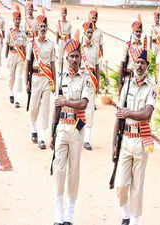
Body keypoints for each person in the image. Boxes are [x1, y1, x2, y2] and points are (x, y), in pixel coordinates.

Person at [49, 30, 94, 225]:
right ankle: (58, 212)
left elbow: (83, 103)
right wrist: (52, 131)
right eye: (72, 56)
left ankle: (70, 214)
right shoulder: (61, 77)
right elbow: (56, 106)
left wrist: (66, 100)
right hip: (61, 127)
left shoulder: (85, 77)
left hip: (77, 128)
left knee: (73, 170)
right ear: (66, 58)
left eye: (77, 56)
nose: (75, 59)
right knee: (59, 169)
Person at [112, 45, 157, 225]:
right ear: (133, 63)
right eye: (137, 62)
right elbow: (118, 115)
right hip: (125, 140)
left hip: (141, 140)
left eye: (143, 63)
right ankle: (126, 214)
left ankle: (135, 221)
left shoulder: (151, 87)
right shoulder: (127, 84)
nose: (139, 66)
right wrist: (114, 143)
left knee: (137, 185)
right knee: (121, 184)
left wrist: (128, 113)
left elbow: (147, 114)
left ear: (147, 66)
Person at [25, 8, 56, 149]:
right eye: (41, 26)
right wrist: (27, 81)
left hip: (46, 79)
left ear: (47, 28)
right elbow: (28, 63)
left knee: (45, 109)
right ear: (37, 28)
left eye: (45, 26)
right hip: (35, 78)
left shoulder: (51, 44)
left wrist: (54, 81)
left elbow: (53, 64)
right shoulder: (32, 43)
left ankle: (42, 138)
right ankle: (33, 129)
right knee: (33, 108)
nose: (43, 28)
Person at [81, 22, 100, 151]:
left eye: (91, 32)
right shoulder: (79, 46)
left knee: (90, 110)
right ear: (84, 32)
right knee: (79, 108)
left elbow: (97, 67)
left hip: (91, 80)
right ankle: (78, 134)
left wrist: (98, 83)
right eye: (87, 32)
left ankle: (87, 139)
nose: (89, 34)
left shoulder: (96, 48)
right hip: (80, 79)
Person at [4, 5, 27, 108]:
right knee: (11, 78)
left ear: (20, 20)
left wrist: (26, 59)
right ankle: (11, 92)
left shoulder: (23, 32)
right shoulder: (10, 31)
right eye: (16, 19)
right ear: (13, 20)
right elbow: (7, 45)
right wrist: (6, 57)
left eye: (19, 19)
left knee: (19, 78)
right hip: (12, 56)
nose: (17, 21)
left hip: (20, 57)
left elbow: (25, 46)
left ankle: (17, 99)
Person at [119, 14, 145, 92]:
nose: (138, 34)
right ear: (133, 32)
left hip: (139, 78)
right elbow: (122, 63)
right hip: (129, 77)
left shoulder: (144, 46)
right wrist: (120, 82)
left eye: (140, 32)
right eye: (136, 31)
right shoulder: (128, 45)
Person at [149, 6, 160, 86]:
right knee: (152, 62)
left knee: (158, 63)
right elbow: (150, 38)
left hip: (159, 46)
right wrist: (150, 48)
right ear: (154, 18)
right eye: (155, 18)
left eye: (158, 18)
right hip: (154, 45)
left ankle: (157, 79)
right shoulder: (152, 27)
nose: (157, 19)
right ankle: (152, 78)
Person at [56, 3, 72, 71]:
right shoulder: (58, 22)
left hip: (66, 41)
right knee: (60, 57)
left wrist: (70, 44)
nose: (64, 14)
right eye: (62, 13)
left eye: (65, 13)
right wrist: (56, 43)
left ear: (66, 14)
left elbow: (70, 35)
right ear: (61, 13)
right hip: (60, 41)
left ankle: (66, 70)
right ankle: (59, 70)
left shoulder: (69, 23)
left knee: (66, 57)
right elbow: (57, 34)